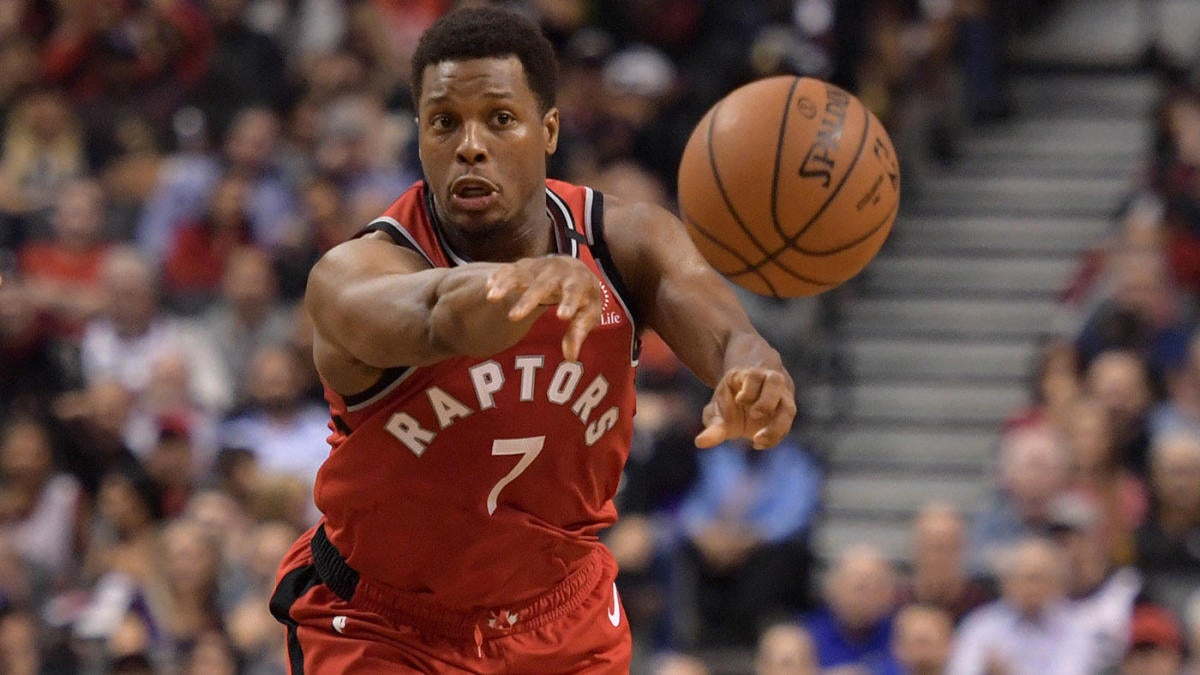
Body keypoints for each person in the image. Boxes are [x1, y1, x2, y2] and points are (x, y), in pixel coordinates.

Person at [268, 7, 796, 675]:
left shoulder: (625, 242)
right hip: (389, 628)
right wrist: (524, 285)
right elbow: (439, 316)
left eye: (498, 118)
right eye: (443, 122)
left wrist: (753, 374)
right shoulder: (356, 272)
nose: (469, 144)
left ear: (548, 129)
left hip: (562, 621)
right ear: (419, 136)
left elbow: (731, 335)